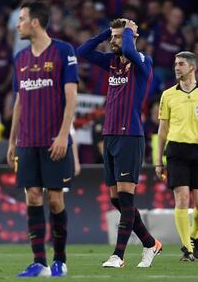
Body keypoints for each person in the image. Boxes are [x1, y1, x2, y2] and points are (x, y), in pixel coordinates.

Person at [77, 18, 162, 268]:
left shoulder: (143, 62)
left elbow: (128, 49)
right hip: (110, 135)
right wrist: (106, 32)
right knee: (116, 200)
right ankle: (150, 243)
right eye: (112, 37)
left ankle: (119, 255)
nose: (114, 41)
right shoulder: (112, 63)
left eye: (118, 37)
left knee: (125, 198)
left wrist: (128, 33)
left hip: (130, 136)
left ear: (132, 38)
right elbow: (82, 52)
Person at [6, 2, 78, 277]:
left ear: (35, 22)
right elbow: (19, 102)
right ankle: (40, 262)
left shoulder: (63, 51)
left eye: (21, 19)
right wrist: (12, 140)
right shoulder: (20, 58)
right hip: (26, 142)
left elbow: (71, 97)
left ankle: (60, 259)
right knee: (32, 197)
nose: (18, 24)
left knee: (56, 200)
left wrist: (63, 135)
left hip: (53, 141)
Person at [156, 51, 198, 261]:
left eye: (181, 64)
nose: (176, 67)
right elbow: (162, 130)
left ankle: (194, 235)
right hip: (176, 150)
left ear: (192, 67)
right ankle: (187, 249)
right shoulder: (168, 95)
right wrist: (158, 161)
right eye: (175, 64)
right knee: (182, 198)